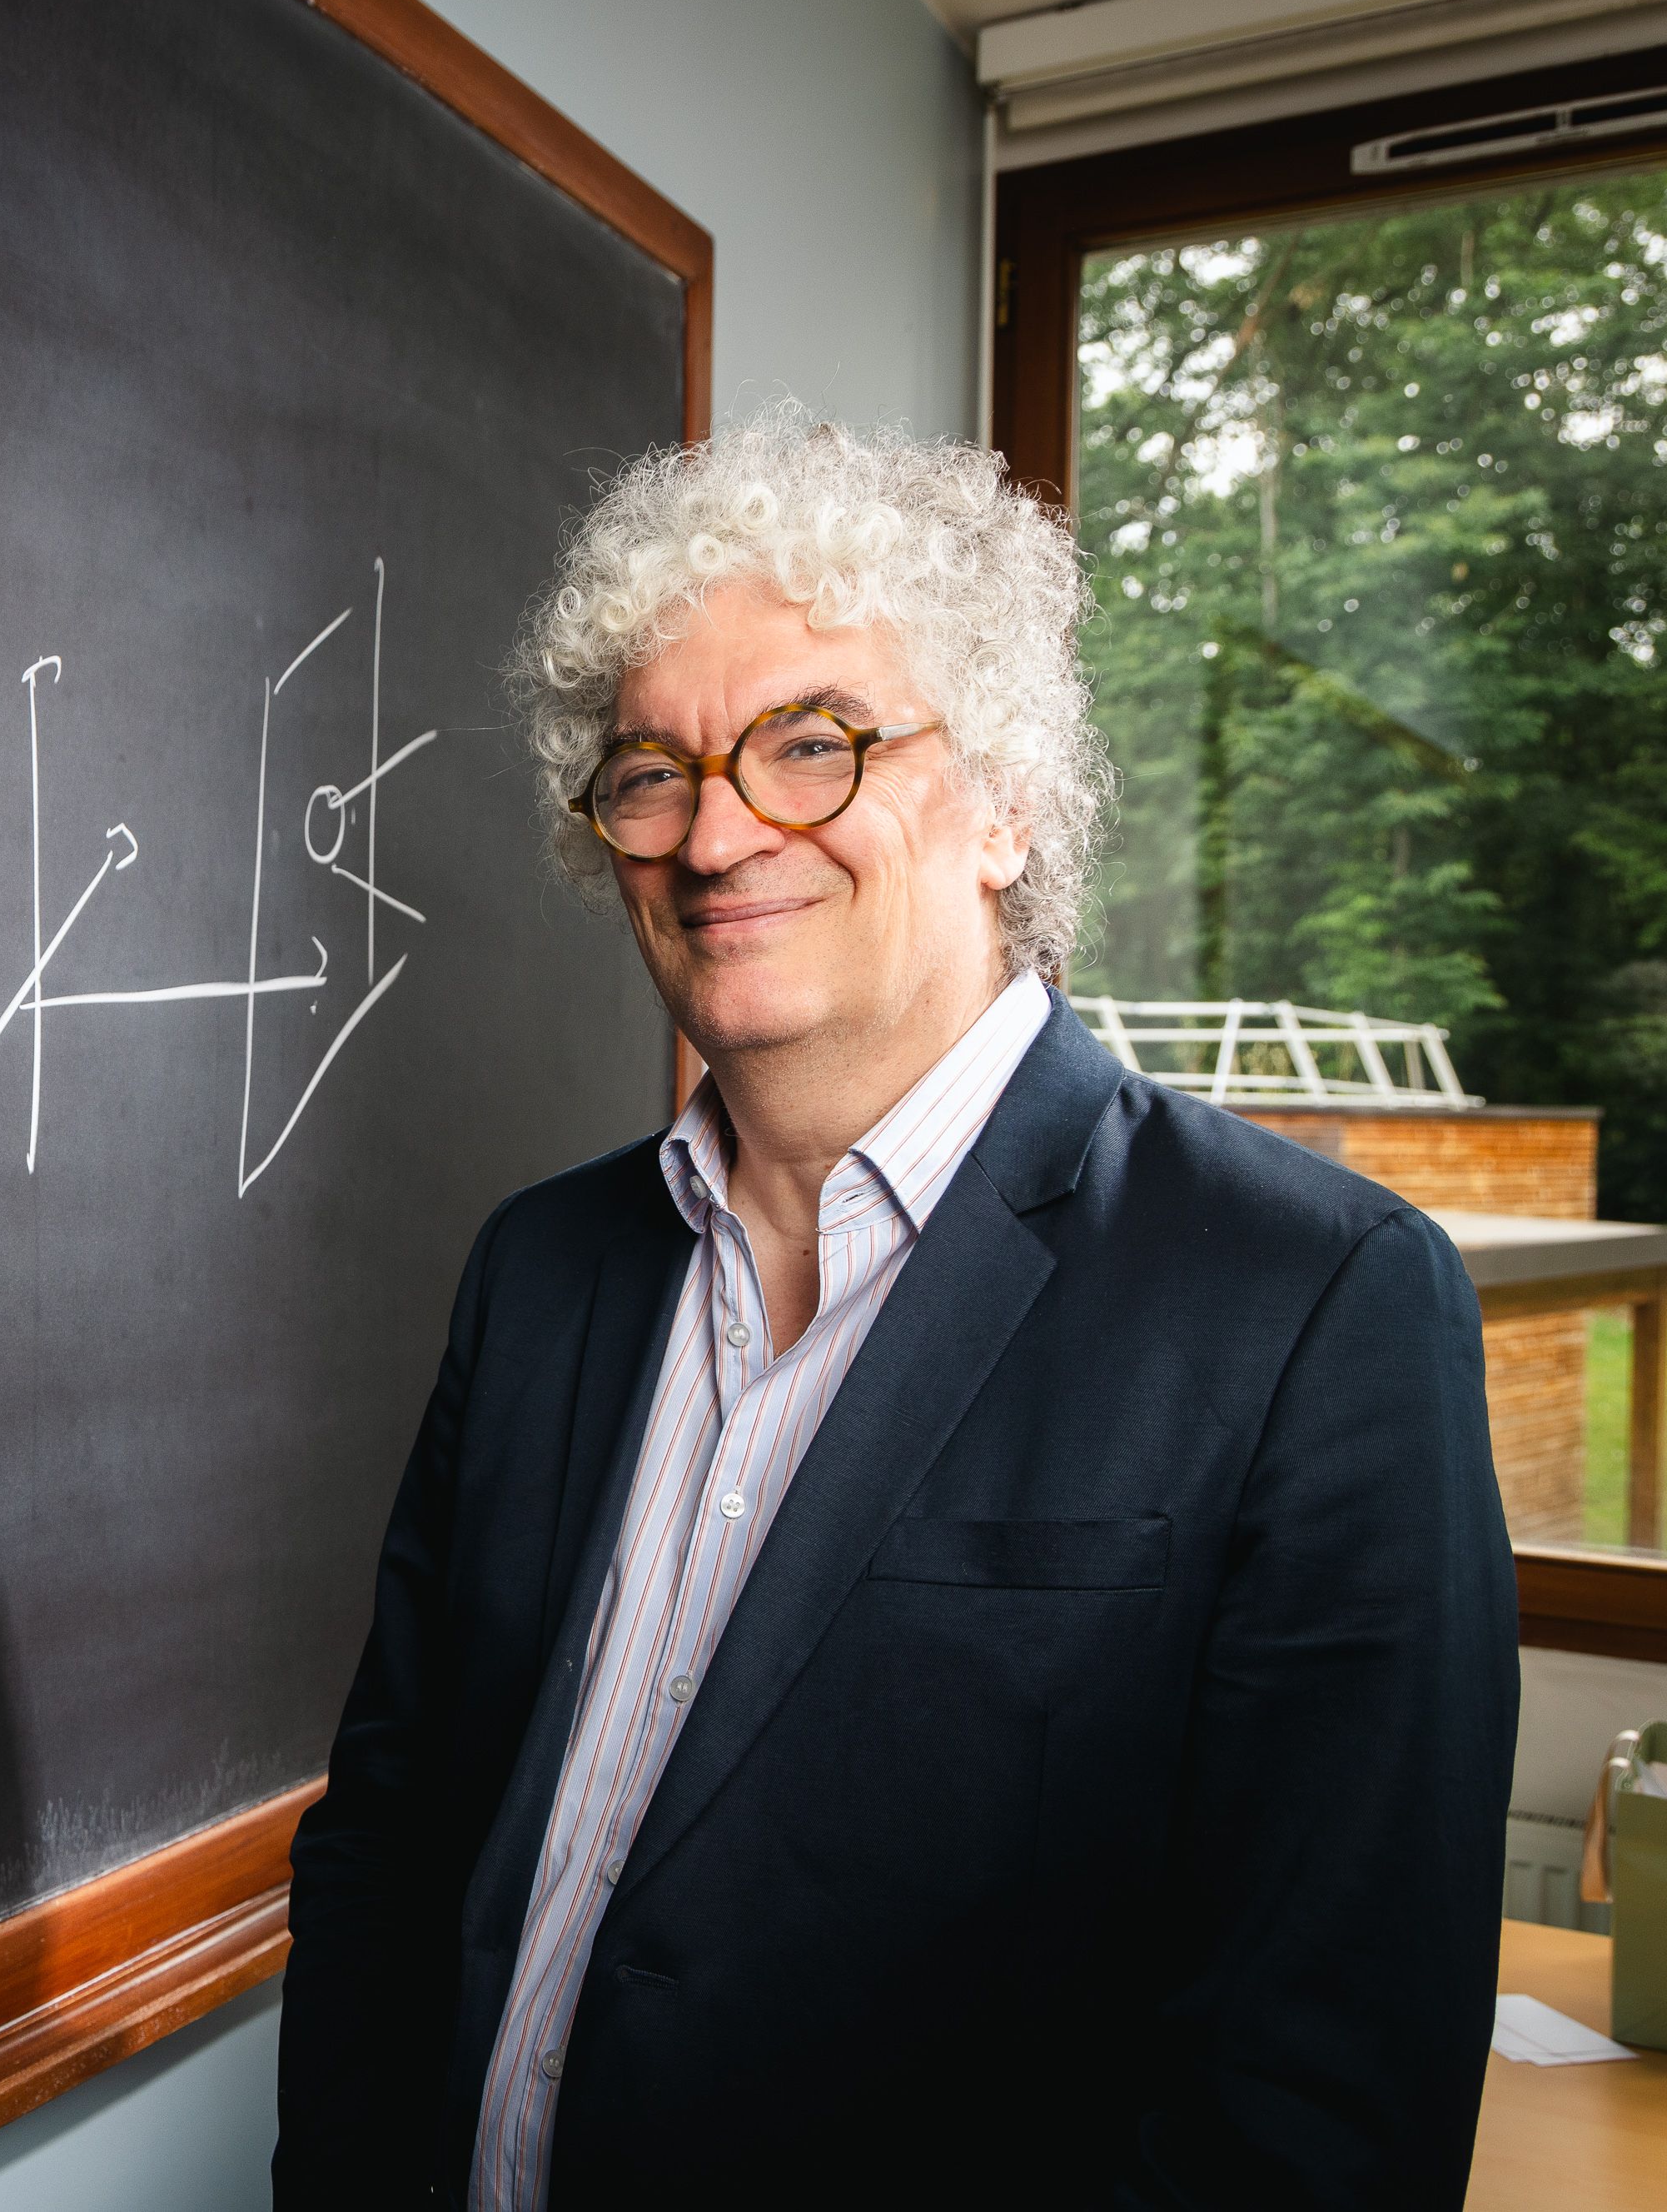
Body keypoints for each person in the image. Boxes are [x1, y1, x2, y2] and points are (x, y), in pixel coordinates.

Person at [273, 412, 1517, 2207]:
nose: (717, 834)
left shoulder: (1315, 1302)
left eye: (812, 744)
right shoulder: (540, 1272)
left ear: (1003, 801)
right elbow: (391, 1843)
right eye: (653, 769)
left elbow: (1322, 2100)